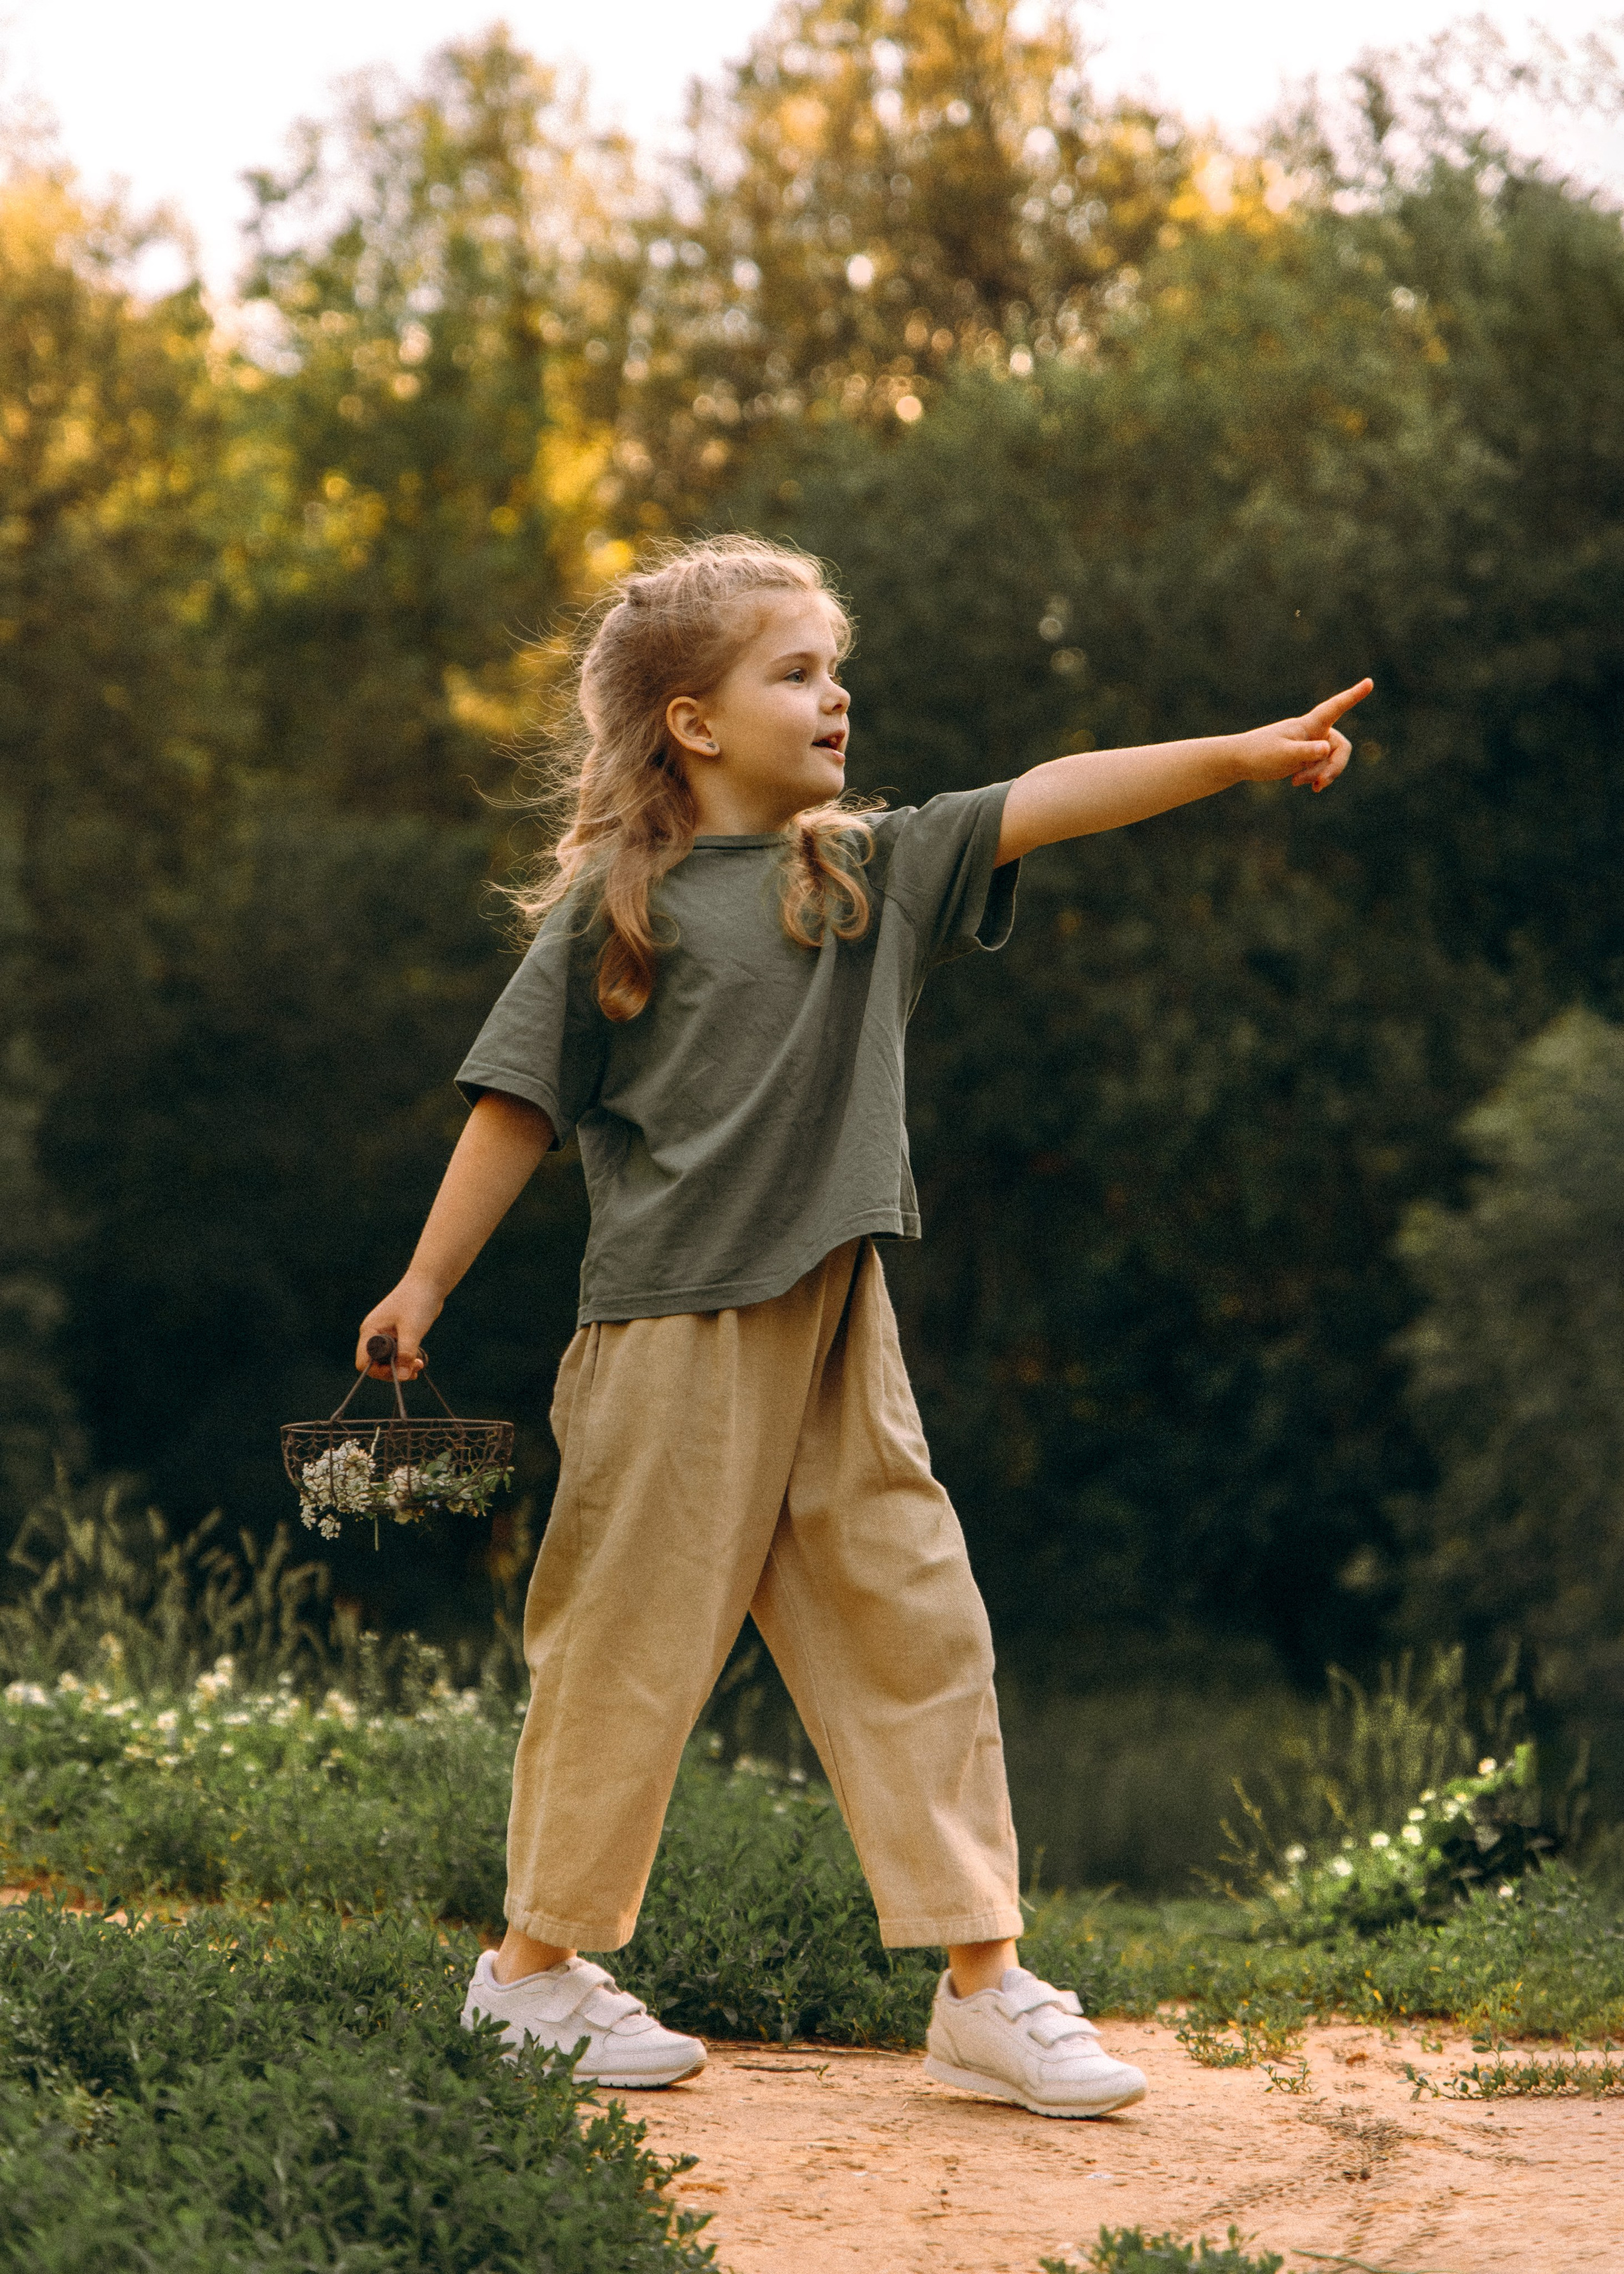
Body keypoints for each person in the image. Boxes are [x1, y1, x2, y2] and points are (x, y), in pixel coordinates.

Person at [357, 534, 1369, 2120]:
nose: (833, 697)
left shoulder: (871, 870)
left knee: (918, 1628)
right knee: (622, 1656)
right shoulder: (616, 909)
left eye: (835, 669)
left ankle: (983, 1985)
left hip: (838, 1326)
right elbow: (513, 1110)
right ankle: (529, 1978)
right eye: (794, 671)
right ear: (692, 721)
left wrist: (1236, 757)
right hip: (669, 1341)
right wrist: (423, 1285)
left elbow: (1053, 790)